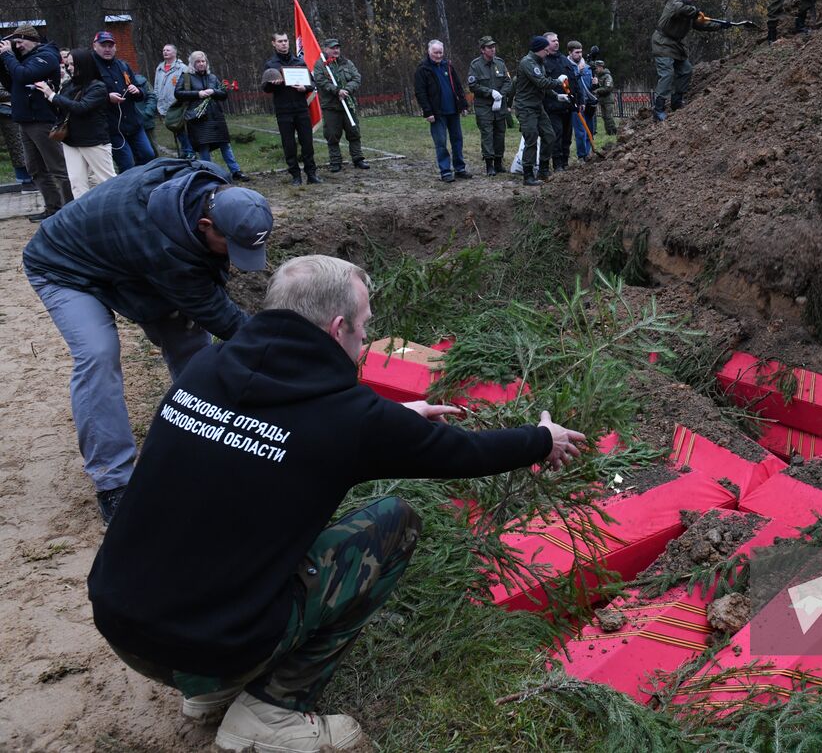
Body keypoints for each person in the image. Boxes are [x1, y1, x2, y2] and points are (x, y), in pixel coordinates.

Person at [85, 254, 583, 753]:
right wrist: (541, 439)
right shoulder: (351, 420)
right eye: (364, 331)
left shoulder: (206, 368)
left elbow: (298, 428)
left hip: (120, 620)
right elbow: (465, 452)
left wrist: (395, 418)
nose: (364, 342)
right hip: (212, 641)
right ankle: (272, 711)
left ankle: (209, 688)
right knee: (395, 523)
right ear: (338, 327)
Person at [23, 158, 274, 523]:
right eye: (231, 247)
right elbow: (223, 318)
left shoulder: (210, 184)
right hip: (62, 266)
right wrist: (284, 349)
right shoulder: (164, 247)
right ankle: (113, 481)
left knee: (190, 344)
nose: (236, 261)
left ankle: (209, 436)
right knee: (98, 354)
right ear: (205, 225)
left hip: (123, 259)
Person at [0, 23, 70, 219]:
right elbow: (12, 83)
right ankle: (53, 208)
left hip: (42, 120)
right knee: (35, 169)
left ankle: (71, 209)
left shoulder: (45, 56)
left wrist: (7, 56)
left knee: (58, 168)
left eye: (20, 42)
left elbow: (24, 76)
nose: (18, 46)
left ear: (33, 41)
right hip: (25, 120)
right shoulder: (24, 59)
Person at [31, 48, 114, 198]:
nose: (69, 68)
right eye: (67, 65)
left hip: (94, 141)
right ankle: (82, 218)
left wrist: (52, 95)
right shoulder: (68, 85)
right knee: (76, 183)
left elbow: (81, 108)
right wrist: (47, 95)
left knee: (107, 181)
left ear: (84, 64)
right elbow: (61, 109)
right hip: (71, 141)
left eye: (72, 65)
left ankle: (120, 212)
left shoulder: (98, 87)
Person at [651, 0, 726, 121]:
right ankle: (658, 109)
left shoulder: (689, 8)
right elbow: (681, 10)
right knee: (667, 74)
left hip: (675, 44)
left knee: (686, 70)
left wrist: (721, 25)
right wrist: (695, 11)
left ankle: (676, 101)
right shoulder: (675, 2)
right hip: (662, 42)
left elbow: (700, 25)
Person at [176, 52, 249, 181]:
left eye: (203, 61)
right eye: (198, 61)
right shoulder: (186, 77)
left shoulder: (212, 77)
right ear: (193, 64)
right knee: (204, 146)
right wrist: (198, 94)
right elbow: (178, 93)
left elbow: (224, 94)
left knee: (225, 144)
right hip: (198, 117)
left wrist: (213, 91)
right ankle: (209, 173)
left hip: (215, 116)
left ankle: (236, 171)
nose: (201, 64)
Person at [92, 30, 157, 172]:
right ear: (95, 46)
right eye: (104, 45)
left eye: (110, 46)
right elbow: (85, 96)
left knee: (148, 155)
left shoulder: (123, 66)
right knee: (127, 164)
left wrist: (137, 91)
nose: (107, 49)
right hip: (111, 127)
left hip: (133, 123)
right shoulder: (90, 68)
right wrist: (107, 98)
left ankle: (142, 184)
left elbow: (141, 93)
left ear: (115, 47)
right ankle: (127, 190)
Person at [262, 32, 320, 185]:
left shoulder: (299, 62)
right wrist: (271, 84)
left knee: (307, 143)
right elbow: (265, 88)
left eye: (286, 41)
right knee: (289, 145)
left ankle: (311, 174)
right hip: (283, 110)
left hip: (301, 109)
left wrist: (304, 87)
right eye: (280, 41)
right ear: (274, 43)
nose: (284, 44)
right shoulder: (270, 65)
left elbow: (313, 84)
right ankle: (295, 175)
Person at [412, 39, 472, 183]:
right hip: (437, 113)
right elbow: (420, 92)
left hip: (453, 111)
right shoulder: (422, 69)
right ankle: (445, 171)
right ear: (429, 51)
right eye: (435, 52)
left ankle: (460, 168)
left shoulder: (448, 66)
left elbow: (458, 86)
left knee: (457, 140)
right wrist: (428, 112)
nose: (438, 55)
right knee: (441, 142)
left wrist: (463, 105)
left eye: (440, 52)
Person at [513, 35, 567, 186]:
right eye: (545, 50)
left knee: (549, 135)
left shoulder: (539, 62)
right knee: (531, 138)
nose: (548, 53)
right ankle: (528, 175)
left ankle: (543, 170)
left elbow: (541, 86)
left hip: (537, 106)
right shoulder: (528, 63)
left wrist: (557, 96)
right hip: (525, 107)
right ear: (539, 50)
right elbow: (542, 82)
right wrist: (558, 81)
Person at [312, 39, 367, 173]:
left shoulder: (347, 63)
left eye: (337, 48)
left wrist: (346, 90)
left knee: (354, 132)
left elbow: (356, 78)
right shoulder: (320, 65)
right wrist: (337, 91)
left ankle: (358, 158)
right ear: (325, 49)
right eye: (332, 48)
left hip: (348, 104)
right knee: (332, 135)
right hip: (331, 106)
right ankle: (335, 161)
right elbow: (321, 81)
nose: (336, 50)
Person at [468, 35, 512, 176]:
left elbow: (508, 81)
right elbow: (473, 85)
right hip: (484, 106)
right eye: (489, 47)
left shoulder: (500, 63)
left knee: (500, 133)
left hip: (500, 105)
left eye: (493, 47)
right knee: (487, 134)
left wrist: (500, 94)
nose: (493, 49)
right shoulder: (476, 65)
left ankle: (499, 163)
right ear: (482, 50)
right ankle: (489, 165)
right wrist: (490, 92)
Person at [541, 33, 576, 169]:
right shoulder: (543, 61)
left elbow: (573, 80)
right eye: (553, 40)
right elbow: (543, 83)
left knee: (567, 136)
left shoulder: (564, 60)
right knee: (557, 134)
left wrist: (578, 99)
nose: (556, 42)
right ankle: (557, 164)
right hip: (552, 105)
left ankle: (565, 161)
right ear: (546, 43)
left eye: (557, 40)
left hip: (567, 104)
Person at [153, 44, 194, 158]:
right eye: (164, 50)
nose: (165, 52)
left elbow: (187, 86)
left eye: (168, 50)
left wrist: (184, 101)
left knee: (180, 128)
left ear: (174, 53)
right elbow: (156, 86)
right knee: (174, 129)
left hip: (177, 104)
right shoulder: (159, 68)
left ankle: (189, 151)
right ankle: (185, 151)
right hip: (164, 105)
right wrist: (157, 100)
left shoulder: (182, 68)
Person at [567, 40, 597, 160]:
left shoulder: (588, 68)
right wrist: (578, 72)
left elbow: (589, 86)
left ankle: (589, 153)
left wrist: (595, 84)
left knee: (590, 130)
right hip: (576, 104)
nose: (579, 55)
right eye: (576, 52)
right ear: (570, 53)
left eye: (581, 52)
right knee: (580, 131)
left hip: (588, 103)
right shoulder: (567, 67)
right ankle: (582, 156)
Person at [592, 58, 618, 137]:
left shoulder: (607, 76)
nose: (596, 69)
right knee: (604, 116)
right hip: (602, 100)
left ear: (601, 67)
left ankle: (613, 132)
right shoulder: (598, 76)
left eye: (597, 67)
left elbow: (608, 88)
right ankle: (608, 131)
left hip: (608, 100)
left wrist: (597, 91)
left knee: (608, 116)